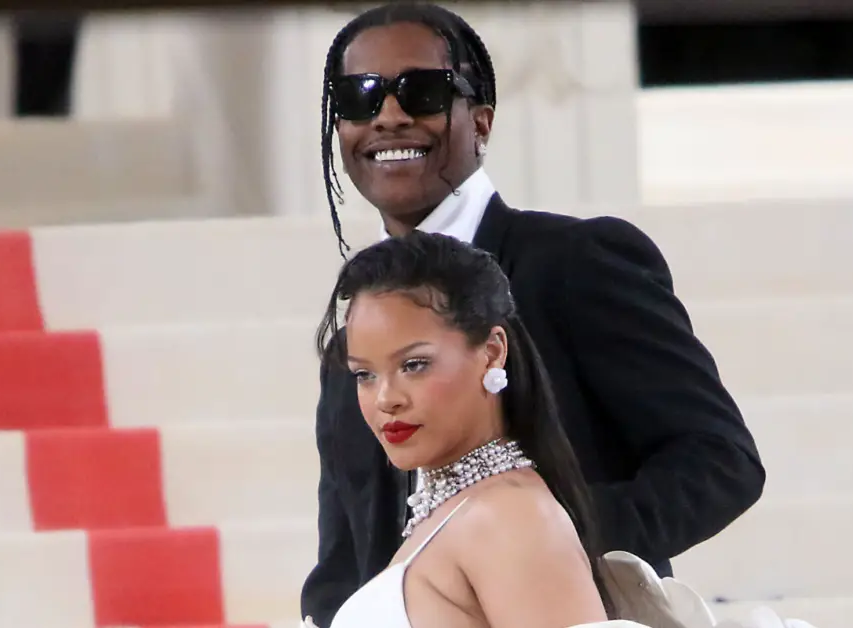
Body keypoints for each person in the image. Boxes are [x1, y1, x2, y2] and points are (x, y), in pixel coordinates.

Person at [302, 3, 766, 626]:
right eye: (358, 97)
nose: (388, 115)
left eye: (422, 91)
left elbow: (720, 462)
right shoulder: (357, 340)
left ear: (481, 121)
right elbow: (342, 558)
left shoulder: (577, 262)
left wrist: (531, 543)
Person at [316, 230, 612, 628]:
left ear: (492, 352)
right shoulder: (464, 511)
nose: (386, 398)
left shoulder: (508, 518)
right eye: (364, 374)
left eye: (414, 365)